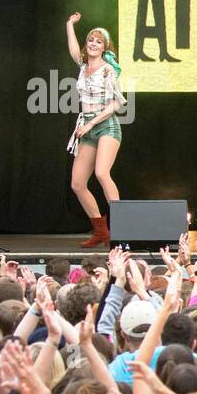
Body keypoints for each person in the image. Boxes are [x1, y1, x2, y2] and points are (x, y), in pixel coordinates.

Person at [64, 13, 127, 248]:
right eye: (90, 40)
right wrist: (69, 25)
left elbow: (116, 102)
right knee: (78, 183)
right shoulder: (83, 66)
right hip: (87, 127)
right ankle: (101, 231)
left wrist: (90, 123)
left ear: (104, 47)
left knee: (102, 173)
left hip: (106, 126)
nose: (93, 43)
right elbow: (73, 50)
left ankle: (121, 230)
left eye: (98, 41)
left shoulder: (108, 70)